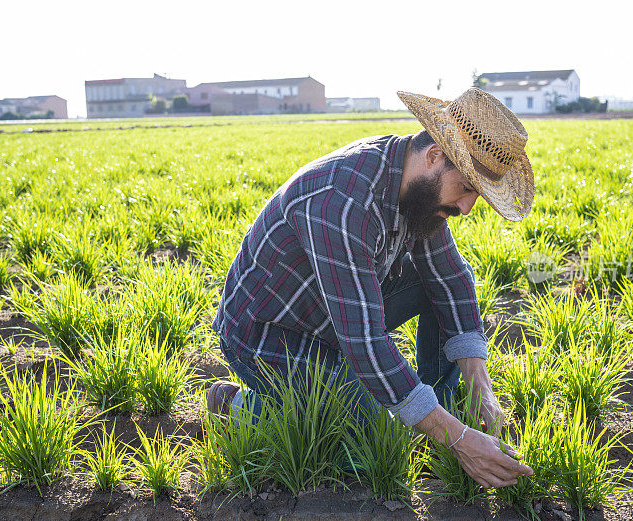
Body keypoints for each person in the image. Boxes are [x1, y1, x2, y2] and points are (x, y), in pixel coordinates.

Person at [208, 88, 535, 489]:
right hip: (271, 335)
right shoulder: (342, 202)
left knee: (440, 286)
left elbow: (452, 278)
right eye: (467, 187)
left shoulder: (417, 190)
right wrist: (459, 439)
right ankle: (238, 405)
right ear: (434, 156)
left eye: (477, 197)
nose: (466, 207)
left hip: (336, 313)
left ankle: (448, 417)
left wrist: (479, 382)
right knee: (373, 446)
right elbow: (364, 342)